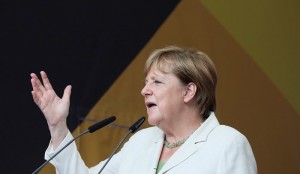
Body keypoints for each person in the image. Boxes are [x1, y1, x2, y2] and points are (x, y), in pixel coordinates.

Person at [31, 46, 257, 174]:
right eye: (146, 82)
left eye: (157, 82)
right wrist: (57, 126)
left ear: (188, 92)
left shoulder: (228, 144)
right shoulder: (141, 142)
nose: (144, 91)